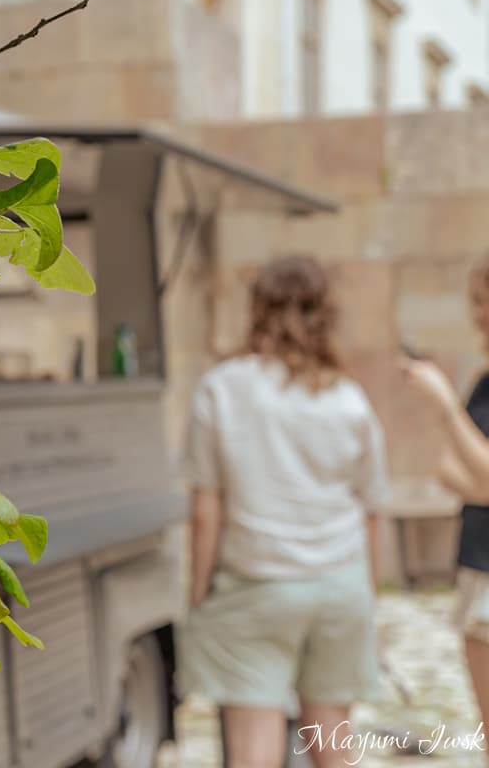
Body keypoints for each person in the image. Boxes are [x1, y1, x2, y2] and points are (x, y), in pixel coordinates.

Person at [179, 255, 388, 768]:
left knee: (255, 746)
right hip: (339, 584)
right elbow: (370, 509)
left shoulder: (222, 388)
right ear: (326, 314)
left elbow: (206, 510)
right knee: (332, 743)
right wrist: (366, 594)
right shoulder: (349, 399)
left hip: (256, 584)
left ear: (257, 310)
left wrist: (199, 592)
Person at [400, 255, 489, 742]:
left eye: (484, 301)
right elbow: (449, 469)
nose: (477, 314)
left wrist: (445, 404)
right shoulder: (484, 380)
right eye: (474, 301)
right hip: (477, 561)